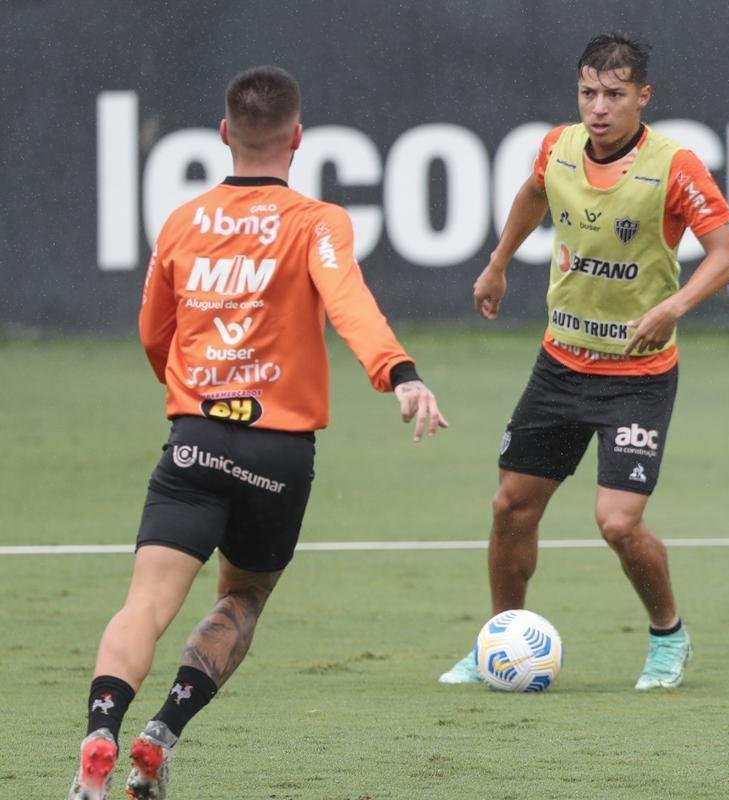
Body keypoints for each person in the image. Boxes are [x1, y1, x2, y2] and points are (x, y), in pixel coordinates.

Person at [67, 65, 449, 800]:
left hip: (195, 438)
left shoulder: (183, 221)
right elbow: (350, 303)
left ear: (223, 133)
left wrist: (190, 391)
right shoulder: (317, 221)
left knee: (144, 604)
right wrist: (399, 373)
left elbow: (153, 333)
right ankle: (161, 736)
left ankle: (100, 735)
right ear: (297, 138)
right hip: (278, 454)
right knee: (241, 599)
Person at [439, 33, 729, 691]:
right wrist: (497, 263)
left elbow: (726, 256)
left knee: (618, 523)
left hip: (637, 377)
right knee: (510, 507)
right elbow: (533, 193)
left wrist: (672, 308)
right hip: (561, 366)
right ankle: (499, 640)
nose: (598, 108)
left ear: (642, 96)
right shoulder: (558, 147)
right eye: (587, 93)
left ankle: (668, 635)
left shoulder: (675, 166)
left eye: (614, 94)